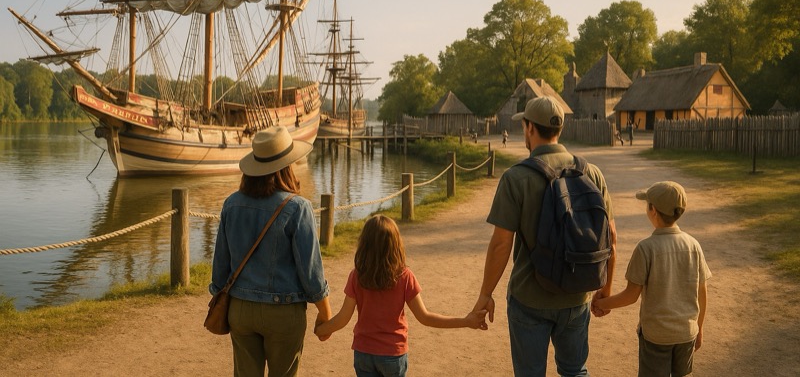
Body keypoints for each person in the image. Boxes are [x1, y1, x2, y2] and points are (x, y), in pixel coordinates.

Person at [472, 95, 617, 377]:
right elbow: (610, 236)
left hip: (529, 298)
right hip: (577, 295)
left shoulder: (516, 178)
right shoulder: (591, 173)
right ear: (559, 128)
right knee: (575, 371)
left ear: (529, 127)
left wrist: (486, 294)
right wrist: (606, 287)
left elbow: (501, 244)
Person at [210, 125, 332, 377]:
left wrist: (222, 296)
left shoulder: (231, 204)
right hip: (284, 312)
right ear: (287, 166)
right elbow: (311, 273)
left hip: (240, 309)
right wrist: (325, 312)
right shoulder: (298, 208)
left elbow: (220, 267)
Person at [314, 214, 488, 376]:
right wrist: (466, 321)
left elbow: (343, 318)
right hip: (392, 354)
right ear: (396, 244)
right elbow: (425, 317)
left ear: (364, 245)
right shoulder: (404, 277)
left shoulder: (357, 276)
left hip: (364, 353)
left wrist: (321, 330)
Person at [593, 181, 710, 377]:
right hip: (686, 333)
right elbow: (702, 292)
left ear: (653, 210)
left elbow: (631, 296)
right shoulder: (693, 246)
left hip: (656, 335)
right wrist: (699, 327)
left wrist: (601, 303)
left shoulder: (646, 248)